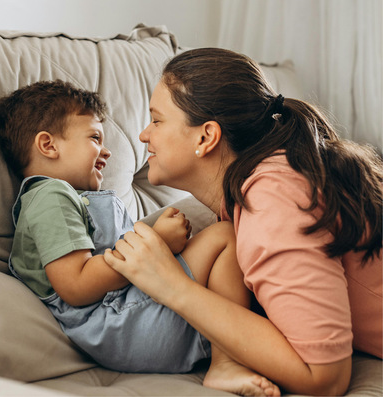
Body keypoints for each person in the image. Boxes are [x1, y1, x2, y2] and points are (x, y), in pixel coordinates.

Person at [104, 48, 383, 396]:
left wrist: (172, 285)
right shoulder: (256, 188)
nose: (145, 135)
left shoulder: (271, 200)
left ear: (206, 137)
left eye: (157, 120)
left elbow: (325, 378)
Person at [0, 79, 280, 396]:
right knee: (224, 235)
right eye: (94, 137)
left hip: (135, 311)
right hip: (121, 323)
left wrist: (164, 243)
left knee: (228, 237)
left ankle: (243, 344)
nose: (106, 151)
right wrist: (155, 242)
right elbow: (75, 285)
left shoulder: (78, 197)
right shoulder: (50, 196)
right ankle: (227, 361)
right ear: (48, 146)